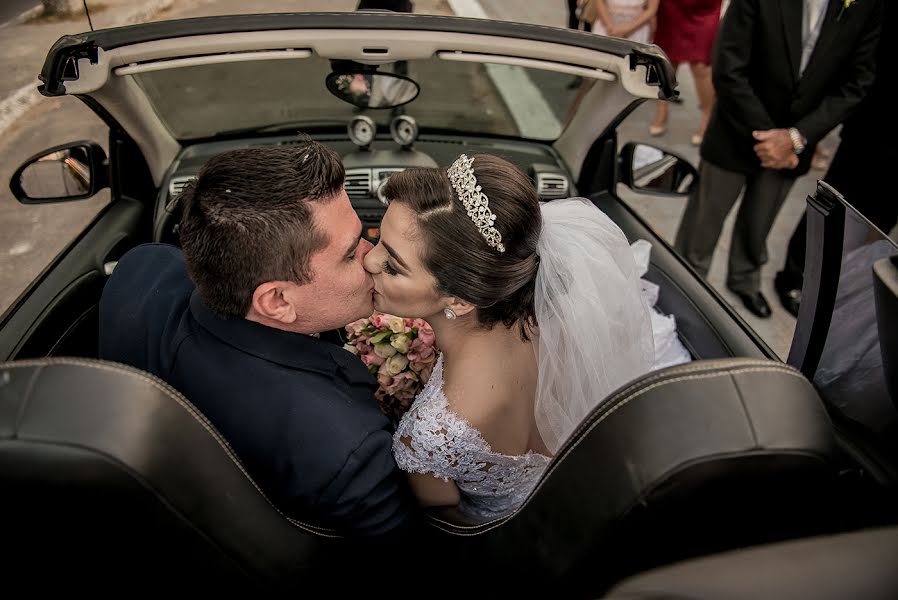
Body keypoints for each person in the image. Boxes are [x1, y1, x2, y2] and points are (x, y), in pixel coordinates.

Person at [98, 142, 410, 536]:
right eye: (350, 253)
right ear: (277, 300)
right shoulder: (342, 449)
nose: (372, 255)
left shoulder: (138, 271)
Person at [363, 153, 691, 519]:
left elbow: (450, 532)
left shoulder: (428, 438)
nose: (368, 261)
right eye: (378, 238)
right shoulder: (557, 324)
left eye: (392, 264)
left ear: (459, 298)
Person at [673, 0, 882, 318]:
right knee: (704, 221)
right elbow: (729, 64)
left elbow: (856, 84)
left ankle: (744, 281)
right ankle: (684, 286)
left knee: (760, 220)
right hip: (735, 128)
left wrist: (796, 137)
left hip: (795, 144)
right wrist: (771, 136)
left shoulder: (866, 6)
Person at [774, 0, 896, 317]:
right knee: (834, 206)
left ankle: (843, 289)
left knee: (879, 224)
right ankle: (795, 274)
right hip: (873, 130)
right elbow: (871, 56)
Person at [649, 0, 722, 144]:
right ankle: (661, 111)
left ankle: (707, 116)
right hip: (671, 7)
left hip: (705, 9)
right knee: (666, 59)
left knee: (701, 64)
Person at [590, 0, 659, 43]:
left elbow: (651, 9)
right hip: (606, 25)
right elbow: (600, 2)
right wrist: (610, 26)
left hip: (636, 28)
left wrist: (626, 30)